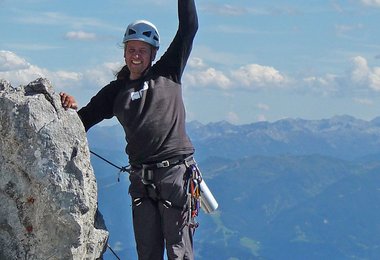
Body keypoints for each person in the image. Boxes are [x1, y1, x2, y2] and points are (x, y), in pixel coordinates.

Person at [60, 0, 199, 259]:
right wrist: (66, 107)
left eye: (142, 50)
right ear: (124, 53)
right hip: (142, 181)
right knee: (147, 253)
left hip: (175, 176)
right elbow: (81, 121)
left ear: (153, 54)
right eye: (131, 49)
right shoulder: (115, 92)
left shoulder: (168, 72)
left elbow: (189, 27)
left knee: (179, 254)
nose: (136, 55)